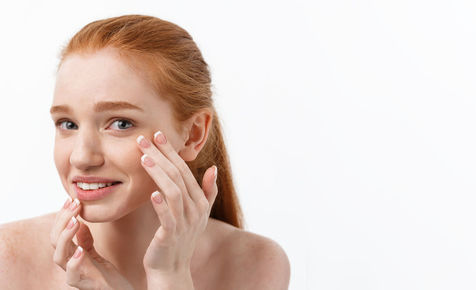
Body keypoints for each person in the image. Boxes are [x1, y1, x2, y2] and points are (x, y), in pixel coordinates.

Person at [0, 14, 290, 290]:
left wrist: (171, 277)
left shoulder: (254, 264)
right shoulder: (8, 261)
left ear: (193, 134)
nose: (81, 157)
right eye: (68, 124)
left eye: (121, 123)